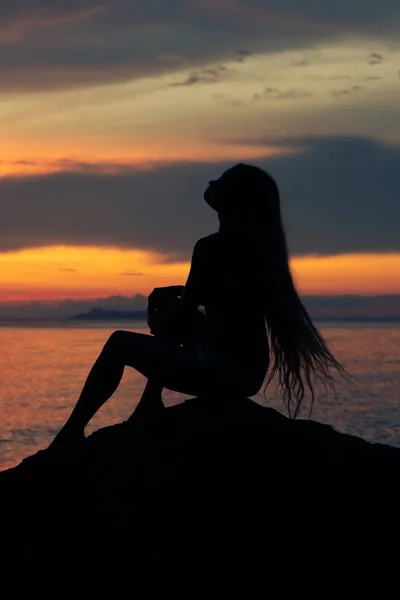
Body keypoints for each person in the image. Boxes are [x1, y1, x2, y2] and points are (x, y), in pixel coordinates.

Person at [46, 163, 349, 450]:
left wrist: (155, 319)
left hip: (221, 372)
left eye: (221, 181)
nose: (211, 182)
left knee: (118, 344)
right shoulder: (258, 248)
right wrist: (175, 299)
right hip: (249, 374)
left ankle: (71, 432)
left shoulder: (210, 247)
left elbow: (181, 316)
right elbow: (223, 301)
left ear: (234, 199)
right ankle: (149, 404)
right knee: (170, 306)